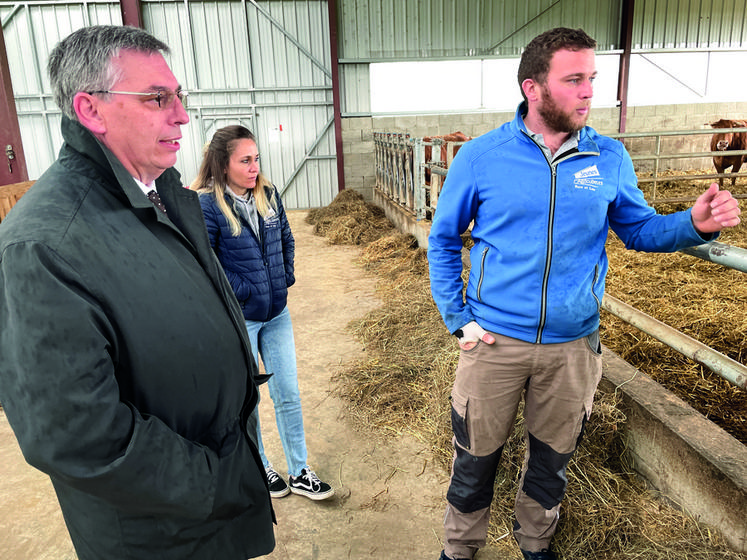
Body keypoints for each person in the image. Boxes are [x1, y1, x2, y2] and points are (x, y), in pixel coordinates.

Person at [427, 27, 741, 560]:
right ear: (533, 88)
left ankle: (535, 544)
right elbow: (442, 238)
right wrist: (459, 318)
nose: (589, 92)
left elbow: (639, 231)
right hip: (492, 343)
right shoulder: (483, 156)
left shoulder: (609, 158)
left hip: (572, 346)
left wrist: (694, 223)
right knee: (474, 459)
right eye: (574, 80)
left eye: (591, 79)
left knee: (551, 461)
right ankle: (460, 549)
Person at [0, 25, 275, 560]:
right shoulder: (44, 245)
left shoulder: (165, 199)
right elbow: (76, 434)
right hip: (162, 533)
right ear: (92, 110)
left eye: (179, 96)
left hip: (212, 507)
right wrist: (215, 483)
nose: (182, 115)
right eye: (157, 99)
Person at [191, 125, 334, 501]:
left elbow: (286, 237)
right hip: (241, 320)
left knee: (287, 392)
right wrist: (247, 291)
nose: (255, 167)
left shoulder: (268, 194)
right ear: (223, 165)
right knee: (248, 398)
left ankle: (300, 471)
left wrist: (283, 278)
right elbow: (209, 264)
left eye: (256, 159)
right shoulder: (207, 205)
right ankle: (261, 466)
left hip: (276, 314)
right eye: (246, 160)